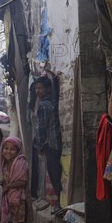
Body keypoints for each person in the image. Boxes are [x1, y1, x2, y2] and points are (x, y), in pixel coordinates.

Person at [0, 137, 33, 223]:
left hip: (21, 200)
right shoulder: (2, 163)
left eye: (12, 149)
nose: (8, 152)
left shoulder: (21, 162)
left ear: (18, 151)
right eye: (6, 148)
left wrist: (8, 187)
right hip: (7, 200)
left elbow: (23, 181)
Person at [33, 75, 63, 207]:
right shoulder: (53, 103)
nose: (37, 91)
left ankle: (59, 205)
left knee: (54, 174)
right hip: (57, 143)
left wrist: (39, 145)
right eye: (36, 88)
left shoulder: (44, 106)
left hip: (50, 144)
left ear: (48, 89)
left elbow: (41, 128)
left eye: (40, 88)